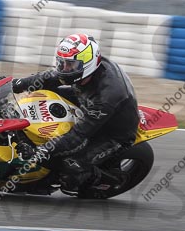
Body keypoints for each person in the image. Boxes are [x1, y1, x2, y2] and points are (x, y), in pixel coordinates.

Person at [11, 33, 139, 194]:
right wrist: (17, 84)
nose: (64, 68)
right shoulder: (83, 70)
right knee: (47, 92)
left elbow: (77, 136)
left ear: (87, 65)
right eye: (62, 63)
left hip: (112, 133)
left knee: (70, 167)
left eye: (70, 64)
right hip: (86, 98)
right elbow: (50, 77)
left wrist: (41, 151)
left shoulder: (107, 97)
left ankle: (94, 180)